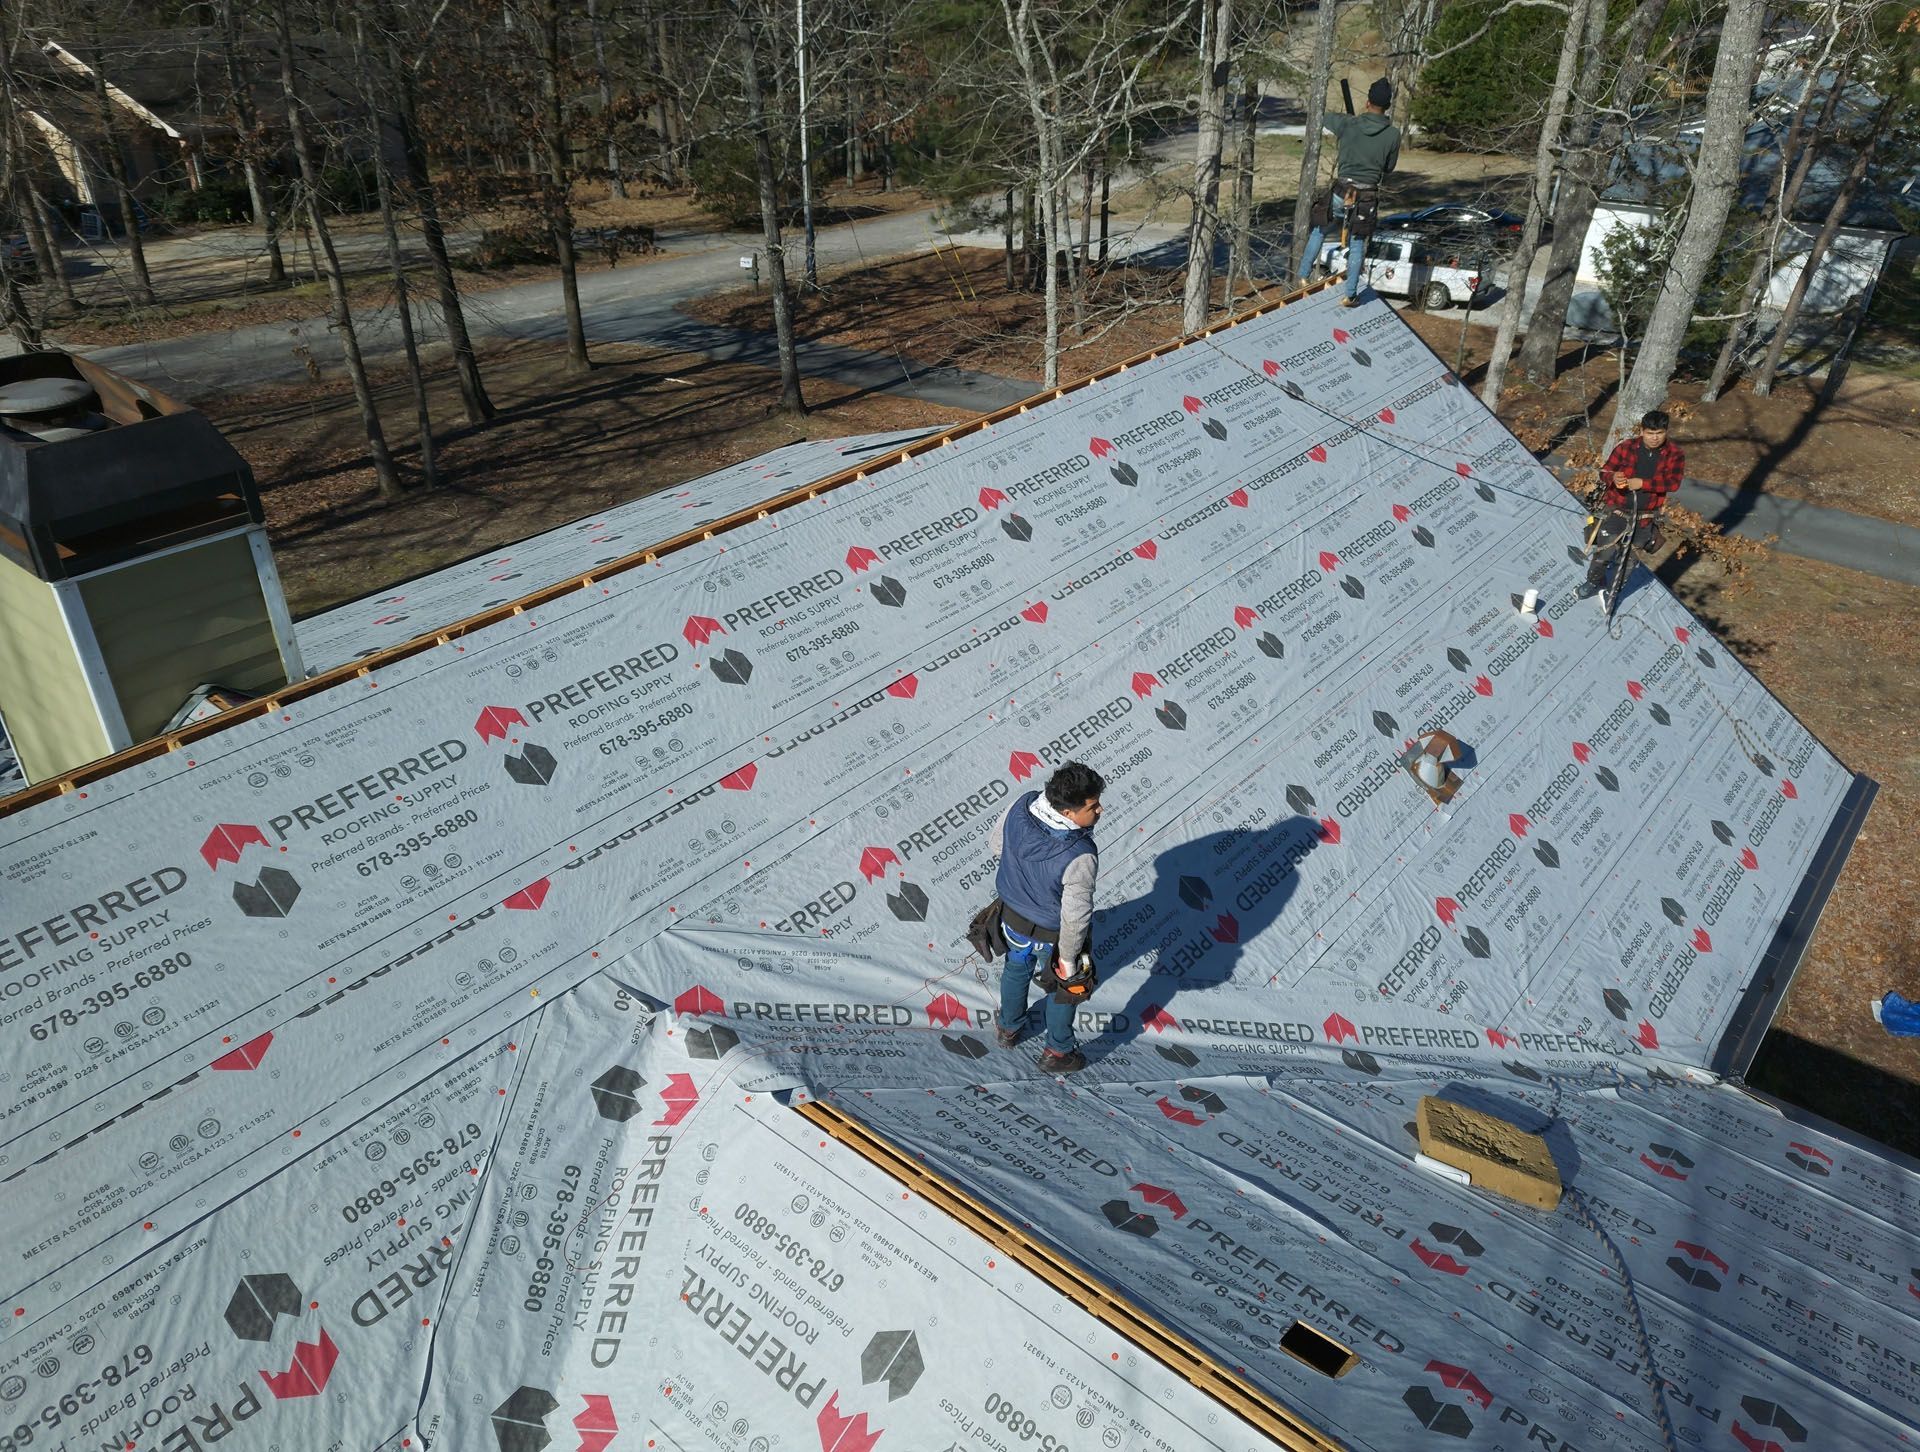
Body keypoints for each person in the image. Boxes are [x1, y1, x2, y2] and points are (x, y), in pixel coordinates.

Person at [989, 760, 1104, 1074]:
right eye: (1092, 806)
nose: (1100, 811)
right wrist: (1067, 961)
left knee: (1015, 967)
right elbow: (1076, 917)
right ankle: (1058, 1051)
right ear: (1068, 813)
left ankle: (1008, 1029)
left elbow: (996, 845)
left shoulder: (1022, 804)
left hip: (1011, 918)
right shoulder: (1080, 854)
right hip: (1052, 935)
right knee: (1062, 990)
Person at [1297, 78, 1402, 306]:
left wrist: (1349, 124)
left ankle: (1303, 275)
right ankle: (1350, 294)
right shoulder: (1393, 135)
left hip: (1341, 190)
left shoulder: (1347, 124)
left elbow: (1323, 116)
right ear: (1387, 107)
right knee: (1356, 243)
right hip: (1366, 197)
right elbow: (1389, 167)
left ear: (1367, 102)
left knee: (1319, 231)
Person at [1579, 409, 1685, 601]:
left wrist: (1643, 483)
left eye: (1659, 433)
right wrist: (1614, 477)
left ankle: (1614, 591)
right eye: (1650, 433)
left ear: (1666, 432)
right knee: (1604, 553)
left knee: (1629, 560)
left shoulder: (1675, 455)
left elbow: (1673, 483)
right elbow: (1605, 472)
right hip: (1617, 510)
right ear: (1642, 431)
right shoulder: (1625, 447)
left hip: (1644, 517)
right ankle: (1592, 582)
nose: (1654, 438)